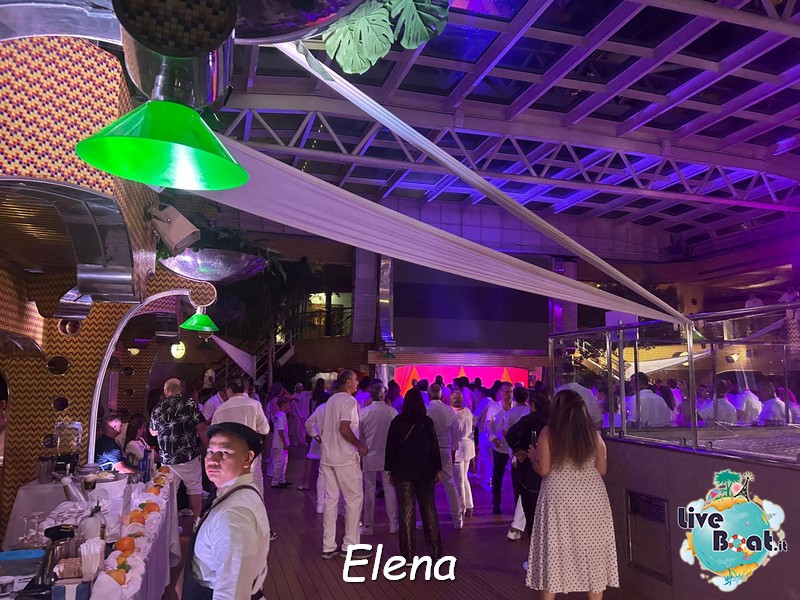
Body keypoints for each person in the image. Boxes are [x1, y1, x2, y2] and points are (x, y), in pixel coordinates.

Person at [526, 390, 618, 598]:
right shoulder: (593, 434)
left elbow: (544, 469)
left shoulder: (549, 433)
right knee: (593, 551)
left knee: (555, 551)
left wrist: (534, 458)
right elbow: (602, 469)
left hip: (559, 497)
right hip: (592, 497)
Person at [184, 422, 269, 600]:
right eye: (210, 451)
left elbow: (231, 593)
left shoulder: (234, 515)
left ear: (247, 458)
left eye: (224, 452)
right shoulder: (231, 492)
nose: (213, 460)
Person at [385, 388, 443, 562]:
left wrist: (389, 469)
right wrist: (437, 469)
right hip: (425, 471)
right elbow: (434, 447)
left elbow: (390, 447)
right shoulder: (427, 422)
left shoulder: (397, 421)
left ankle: (408, 555)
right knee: (429, 509)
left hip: (403, 471)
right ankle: (436, 552)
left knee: (406, 511)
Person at [318, 370, 371, 559]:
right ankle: (350, 545)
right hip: (345, 457)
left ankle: (328, 545)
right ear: (348, 382)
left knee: (331, 501)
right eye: (355, 380)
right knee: (353, 499)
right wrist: (360, 445)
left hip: (328, 456)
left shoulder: (331, 400)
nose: (357, 383)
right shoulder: (349, 401)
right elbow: (344, 427)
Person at [150, 378, 206, 519]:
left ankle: (170, 525)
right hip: (188, 455)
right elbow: (201, 427)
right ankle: (196, 521)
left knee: (168, 492)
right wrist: (209, 446)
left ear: (166, 390)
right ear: (181, 389)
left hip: (167, 459)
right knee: (194, 488)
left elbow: (153, 432)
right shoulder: (190, 403)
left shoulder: (158, 408)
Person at [211, 378, 270, 492]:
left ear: (229, 390)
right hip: (251, 451)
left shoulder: (220, 409)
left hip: (229, 454)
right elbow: (265, 430)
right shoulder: (255, 405)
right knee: (255, 482)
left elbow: (214, 434)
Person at [506, 389, 549, 538]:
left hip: (530, 474)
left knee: (531, 515)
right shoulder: (555, 421)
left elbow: (511, 434)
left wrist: (518, 450)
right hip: (551, 473)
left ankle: (534, 546)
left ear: (532, 405)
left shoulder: (528, 420)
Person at [359, 382, 399, 535]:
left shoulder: (364, 413)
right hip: (388, 455)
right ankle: (393, 524)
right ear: (383, 395)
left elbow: (360, 436)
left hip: (369, 454)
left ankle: (368, 526)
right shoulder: (392, 412)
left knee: (369, 489)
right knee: (389, 488)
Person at [427, 383, 463, 528]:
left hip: (429, 450)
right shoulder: (449, 411)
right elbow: (455, 434)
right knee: (450, 483)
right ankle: (457, 519)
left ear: (429, 394)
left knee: (428, 485)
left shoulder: (426, 409)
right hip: (445, 449)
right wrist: (453, 451)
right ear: (441, 395)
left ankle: (428, 519)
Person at [488, 382, 513, 514]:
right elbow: (488, 426)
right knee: (497, 475)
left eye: (510, 392)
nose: (508, 395)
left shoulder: (517, 407)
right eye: (505, 392)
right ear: (500, 392)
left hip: (513, 447)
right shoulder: (493, 408)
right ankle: (496, 503)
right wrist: (493, 438)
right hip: (499, 447)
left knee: (516, 476)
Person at [450, 390, 475, 519]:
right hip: (468, 447)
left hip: (458, 448)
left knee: (458, 480)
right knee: (464, 478)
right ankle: (469, 506)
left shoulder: (453, 415)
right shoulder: (468, 412)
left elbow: (454, 434)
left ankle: (461, 508)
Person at [303, 395, 329, 512]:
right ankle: (333, 504)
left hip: (319, 439)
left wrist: (316, 436)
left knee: (319, 470)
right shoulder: (338, 407)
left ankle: (320, 504)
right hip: (331, 444)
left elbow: (308, 423)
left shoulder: (320, 408)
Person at [270, 398, 291, 488]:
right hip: (280, 443)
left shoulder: (278, 414)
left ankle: (281, 479)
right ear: (284, 404)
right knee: (279, 462)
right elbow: (280, 430)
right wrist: (284, 442)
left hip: (279, 442)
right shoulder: (281, 415)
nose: (289, 406)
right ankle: (275, 481)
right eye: (288, 404)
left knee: (283, 461)